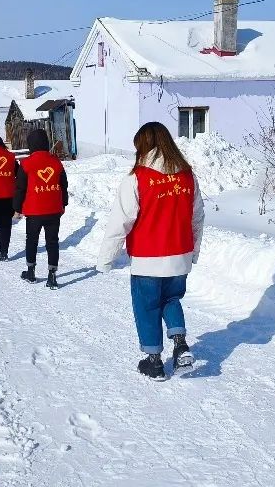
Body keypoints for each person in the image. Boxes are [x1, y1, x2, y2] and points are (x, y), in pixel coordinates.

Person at [96, 122, 205, 381]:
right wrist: (194, 251)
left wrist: (105, 259)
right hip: (180, 255)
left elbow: (120, 221)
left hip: (148, 258)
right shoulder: (188, 176)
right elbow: (197, 217)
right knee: (171, 299)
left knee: (147, 306)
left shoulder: (137, 178)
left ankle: (154, 362)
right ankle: (180, 345)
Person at [13, 129, 68, 288]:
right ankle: (52, 276)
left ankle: (31, 272)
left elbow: (20, 188)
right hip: (53, 210)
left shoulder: (26, 163)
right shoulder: (56, 162)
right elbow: (63, 185)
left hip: (34, 211)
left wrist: (17, 208)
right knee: (52, 242)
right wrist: (63, 204)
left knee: (32, 241)